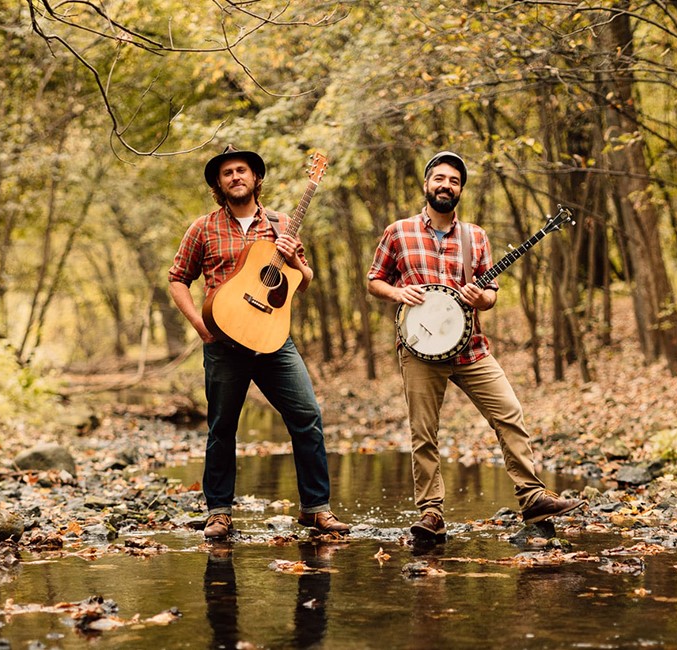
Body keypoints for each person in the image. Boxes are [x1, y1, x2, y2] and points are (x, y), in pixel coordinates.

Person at [366, 151, 585, 543]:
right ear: (426, 184)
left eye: (453, 180)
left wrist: (481, 297)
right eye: (439, 178)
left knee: (510, 413)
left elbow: (491, 294)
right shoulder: (398, 231)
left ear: (460, 190)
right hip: (419, 349)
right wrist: (399, 292)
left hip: (472, 348)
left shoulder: (475, 237)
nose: (446, 185)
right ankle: (431, 513)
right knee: (424, 433)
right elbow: (374, 280)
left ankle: (532, 497)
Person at [168, 145, 351, 541]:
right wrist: (201, 326)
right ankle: (218, 511)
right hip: (223, 341)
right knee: (222, 428)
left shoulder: (283, 223)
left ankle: (316, 509)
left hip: (272, 339)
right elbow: (177, 278)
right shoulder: (203, 228)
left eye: (242, 171)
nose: (236, 177)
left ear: (256, 178)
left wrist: (295, 259)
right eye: (228, 173)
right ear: (218, 183)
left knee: (307, 416)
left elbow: (304, 280)